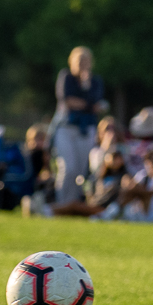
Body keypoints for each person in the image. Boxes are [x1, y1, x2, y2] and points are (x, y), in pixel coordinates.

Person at [52, 47, 105, 203]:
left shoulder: (95, 81)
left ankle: (73, 203)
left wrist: (86, 84)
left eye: (85, 61)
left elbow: (97, 103)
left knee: (80, 170)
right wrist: (89, 106)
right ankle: (61, 202)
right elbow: (69, 101)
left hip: (85, 129)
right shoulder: (66, 77)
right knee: (68, 168)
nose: (82, 64)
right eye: (79, 60)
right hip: (66, 127)